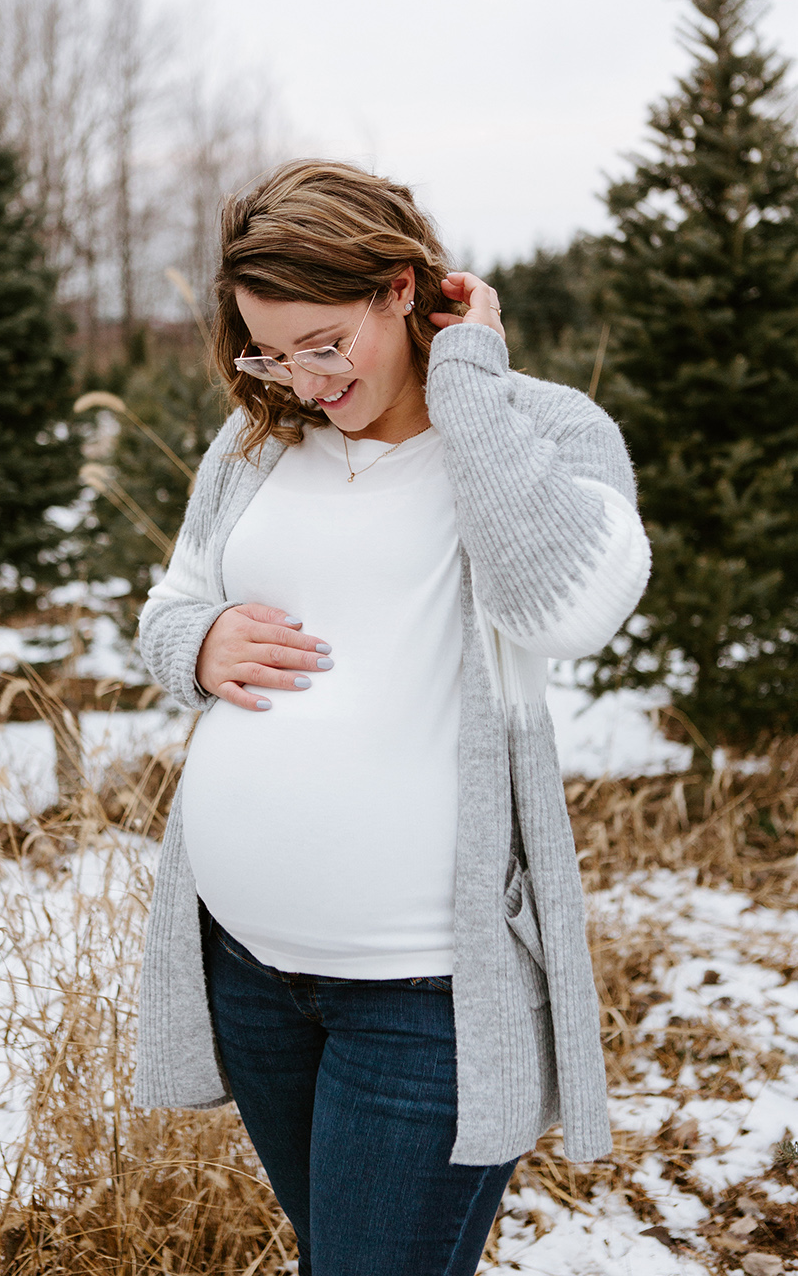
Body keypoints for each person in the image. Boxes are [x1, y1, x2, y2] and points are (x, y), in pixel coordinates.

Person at [133, 159, 651, 1276]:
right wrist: (199, 639)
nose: (303, 377)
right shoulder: (254, 444)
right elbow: (170, 602)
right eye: (270, 349)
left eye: (326, 342)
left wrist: (465, 378)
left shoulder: (544, 431)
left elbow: (565, 605)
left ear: (402, 289)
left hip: (424, 996)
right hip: (251, 972)